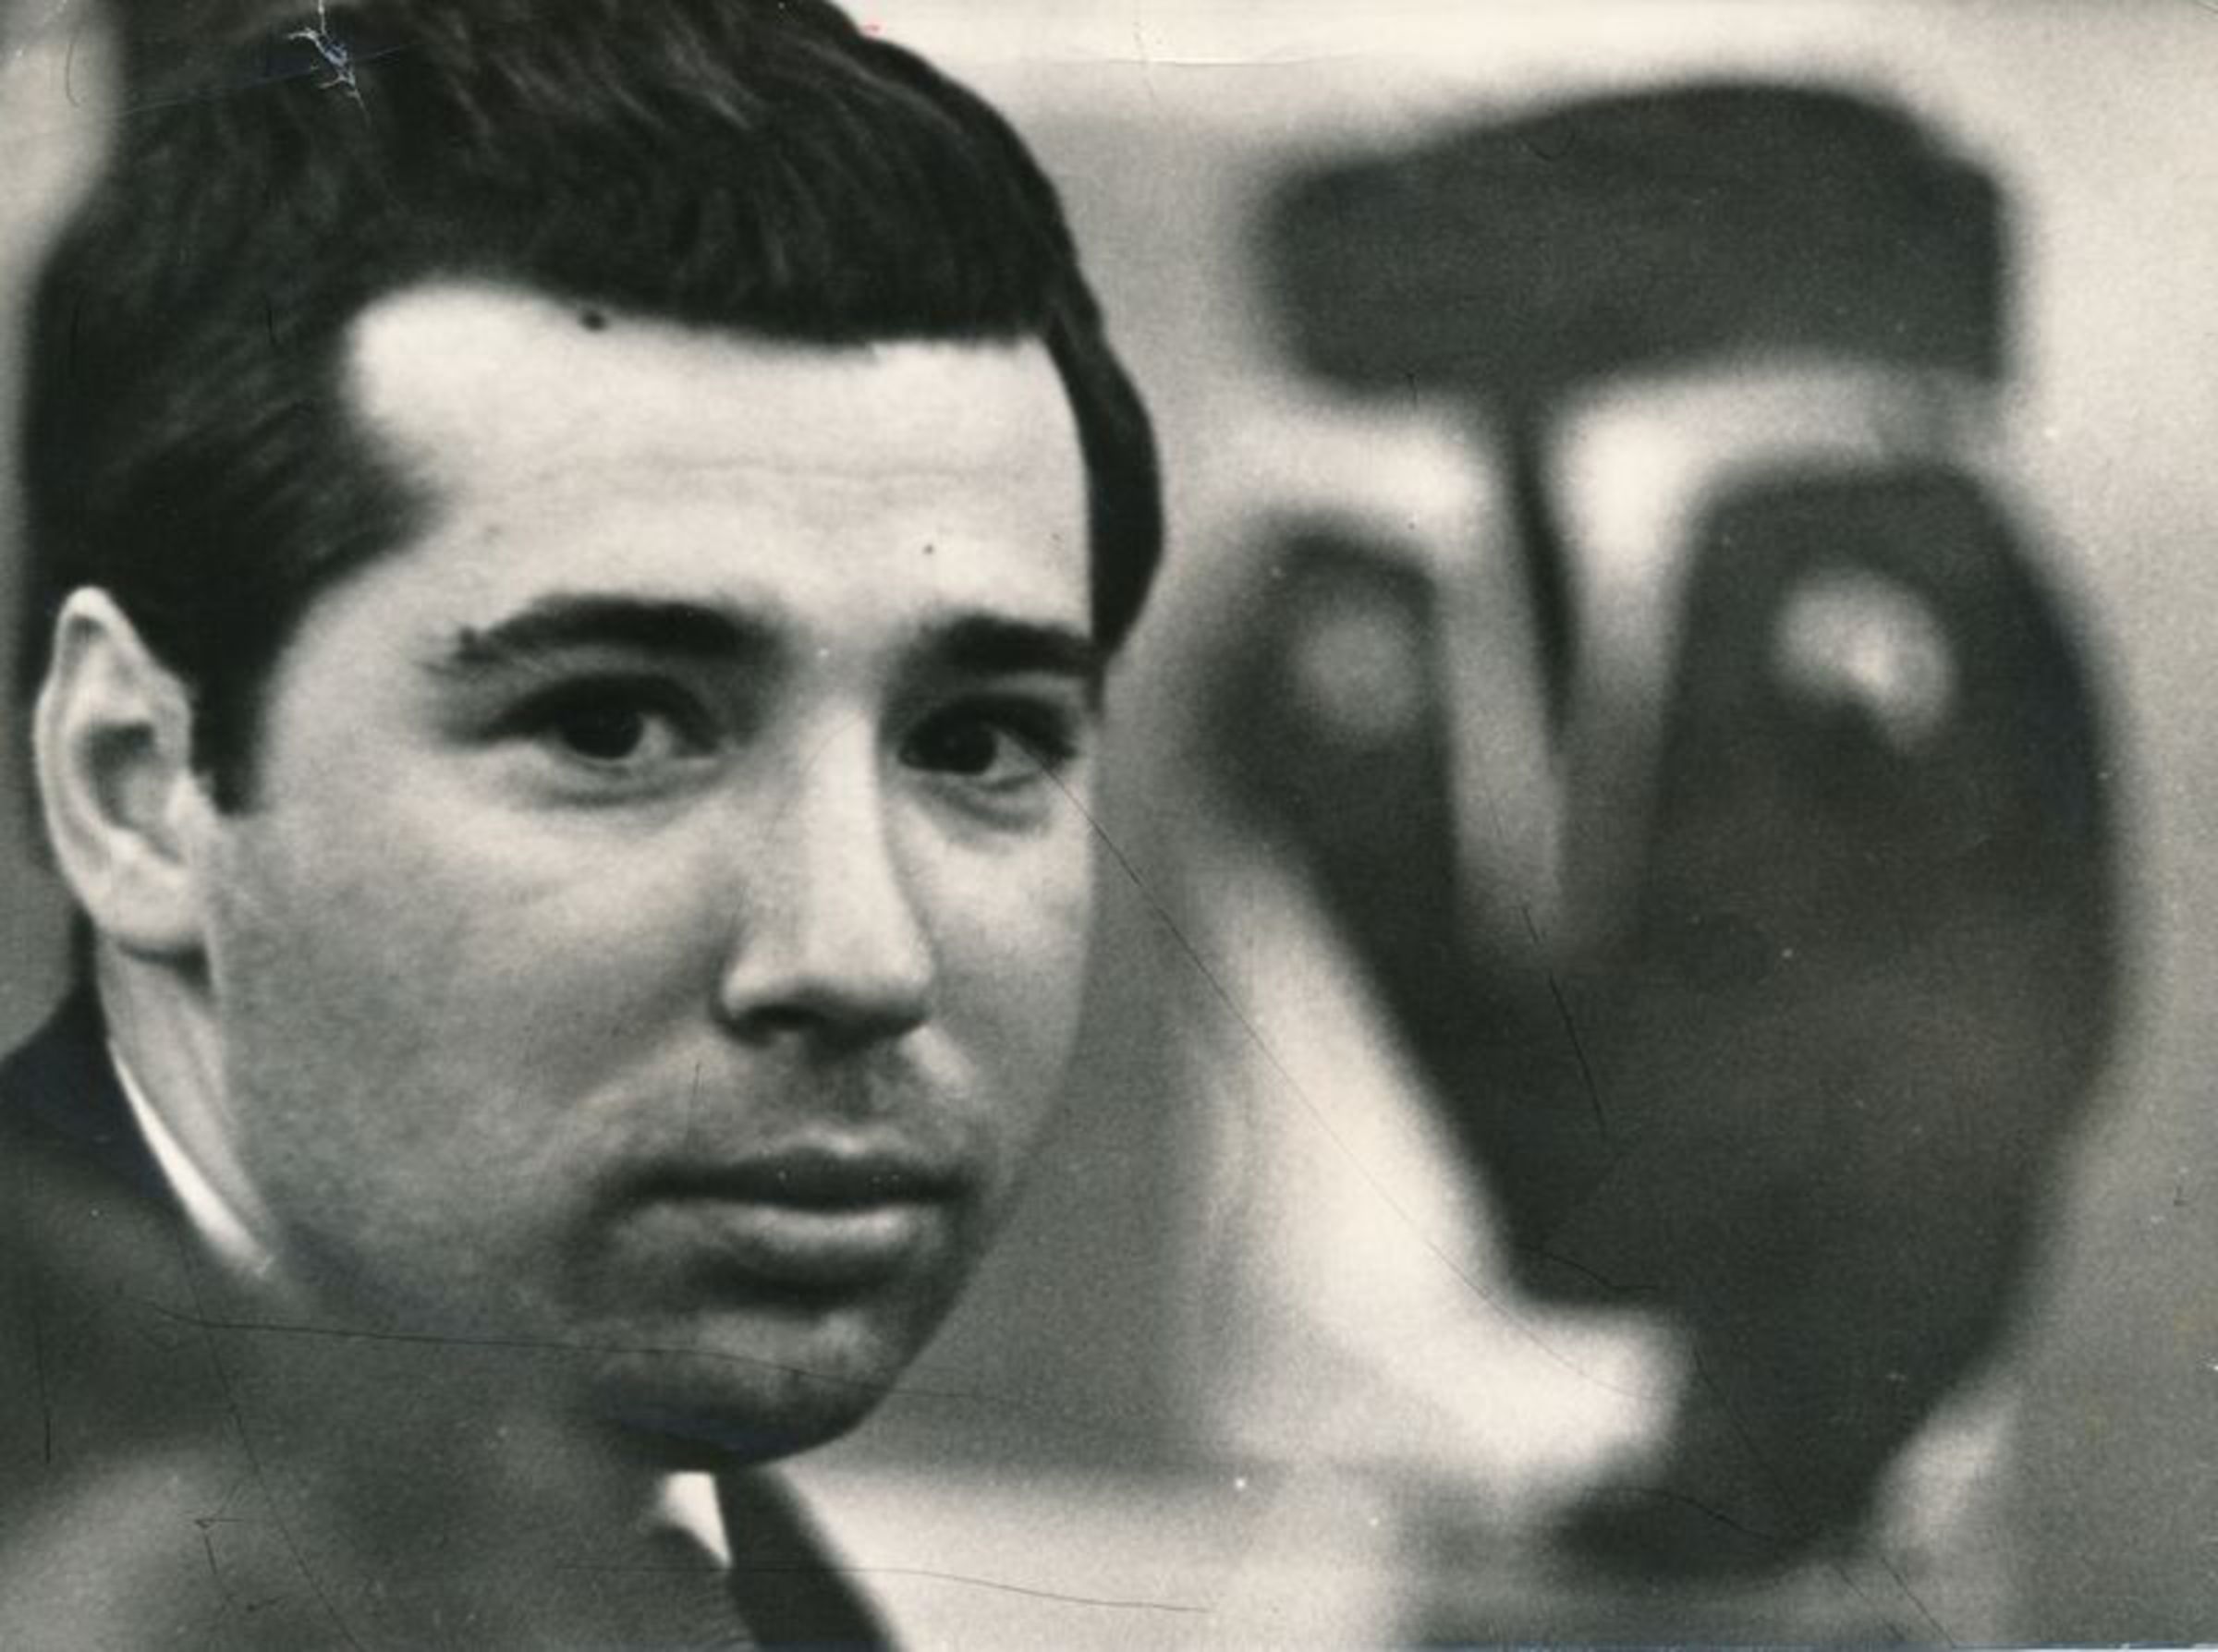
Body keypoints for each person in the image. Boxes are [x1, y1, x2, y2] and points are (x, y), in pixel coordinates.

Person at [0, 0, 1160, 1642]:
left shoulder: (679, 1570)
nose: (858, 956)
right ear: (133, 784)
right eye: (611, 729)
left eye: (977, 743)